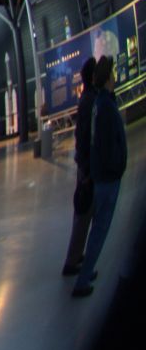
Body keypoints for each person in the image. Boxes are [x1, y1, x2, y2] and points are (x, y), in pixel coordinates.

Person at [73, 56, 127, 298]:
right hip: (107, 178)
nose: (114, 78)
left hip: (102, 175)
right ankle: (82, 280)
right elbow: (105, 145)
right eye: (112, 75)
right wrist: (115, 168)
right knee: (99, 230)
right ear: (107, 78)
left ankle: (85, 272)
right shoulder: (103, 106)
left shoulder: (100, 103)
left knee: (97, 229)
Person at [62, 57, 97, 277]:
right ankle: (72, 262)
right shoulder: (89, 101)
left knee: (83, 215)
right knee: (84, 216)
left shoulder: (87, 99)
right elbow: (85, 137)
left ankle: (76, 256)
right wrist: (86, 171)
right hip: (87, 168)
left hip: (85, 165)